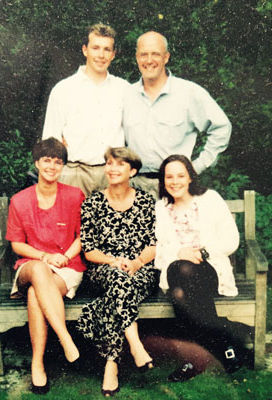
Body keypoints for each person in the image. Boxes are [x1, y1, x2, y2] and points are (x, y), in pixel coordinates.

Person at [154, 154, 246, 381]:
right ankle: (226, 343)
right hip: (177, 275)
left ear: (190, 177)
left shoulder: (210, 199)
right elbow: (159, 248)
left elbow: (231, 239)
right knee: (179, 283)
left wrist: (202, 253)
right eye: (169, 177)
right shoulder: (161, 208)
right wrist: (179, 253)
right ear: (163, 180)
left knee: (182, 276)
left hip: (210, 270)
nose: (174, 181)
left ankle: (195, 359)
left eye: (180, 176)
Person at [6, 137, 86, 394]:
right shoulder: (20, 200)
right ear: (37, 163)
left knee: (34, 294)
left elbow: (83, 236)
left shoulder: (75, 196)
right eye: (47, 160)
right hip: (31, 264)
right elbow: (17, 245)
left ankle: (37, 364)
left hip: (67, 267)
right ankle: (65, 338)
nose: (52, 166)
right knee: (39, 271)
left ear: (62, 166)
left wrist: (64, 256)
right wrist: (45, 256)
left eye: (58, 161)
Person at [76, 147, 158, 397]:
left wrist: (136, 263)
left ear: (132, 171)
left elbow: (154, 244)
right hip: (104, 270)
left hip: (140, 269)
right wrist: (114, 261)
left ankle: (111, 364)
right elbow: (89, 250)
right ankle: (135, 345)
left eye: (119, 164)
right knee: (119, 281)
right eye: (109, 163)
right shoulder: (92, 203)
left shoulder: (145, 201)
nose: (111, 169)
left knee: (118, 291)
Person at [123, 31, 232, 199]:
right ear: (137, 57)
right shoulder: (125, 95)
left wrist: (196, 167)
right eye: (144, 54)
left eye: (156, 54)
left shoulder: (189, 93)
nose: (149, 60)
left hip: (176, 187)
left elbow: (222, 128)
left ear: (166, 57)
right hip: (134, 188)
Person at [42, 23, 129, 197]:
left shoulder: (124, 89)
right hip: (74, 174)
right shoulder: (63, 89)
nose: (101, 55)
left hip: (111, 174)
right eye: (95, 48)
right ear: (85, 50)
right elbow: (50, 140)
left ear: (113, 55)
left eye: (106, 49)